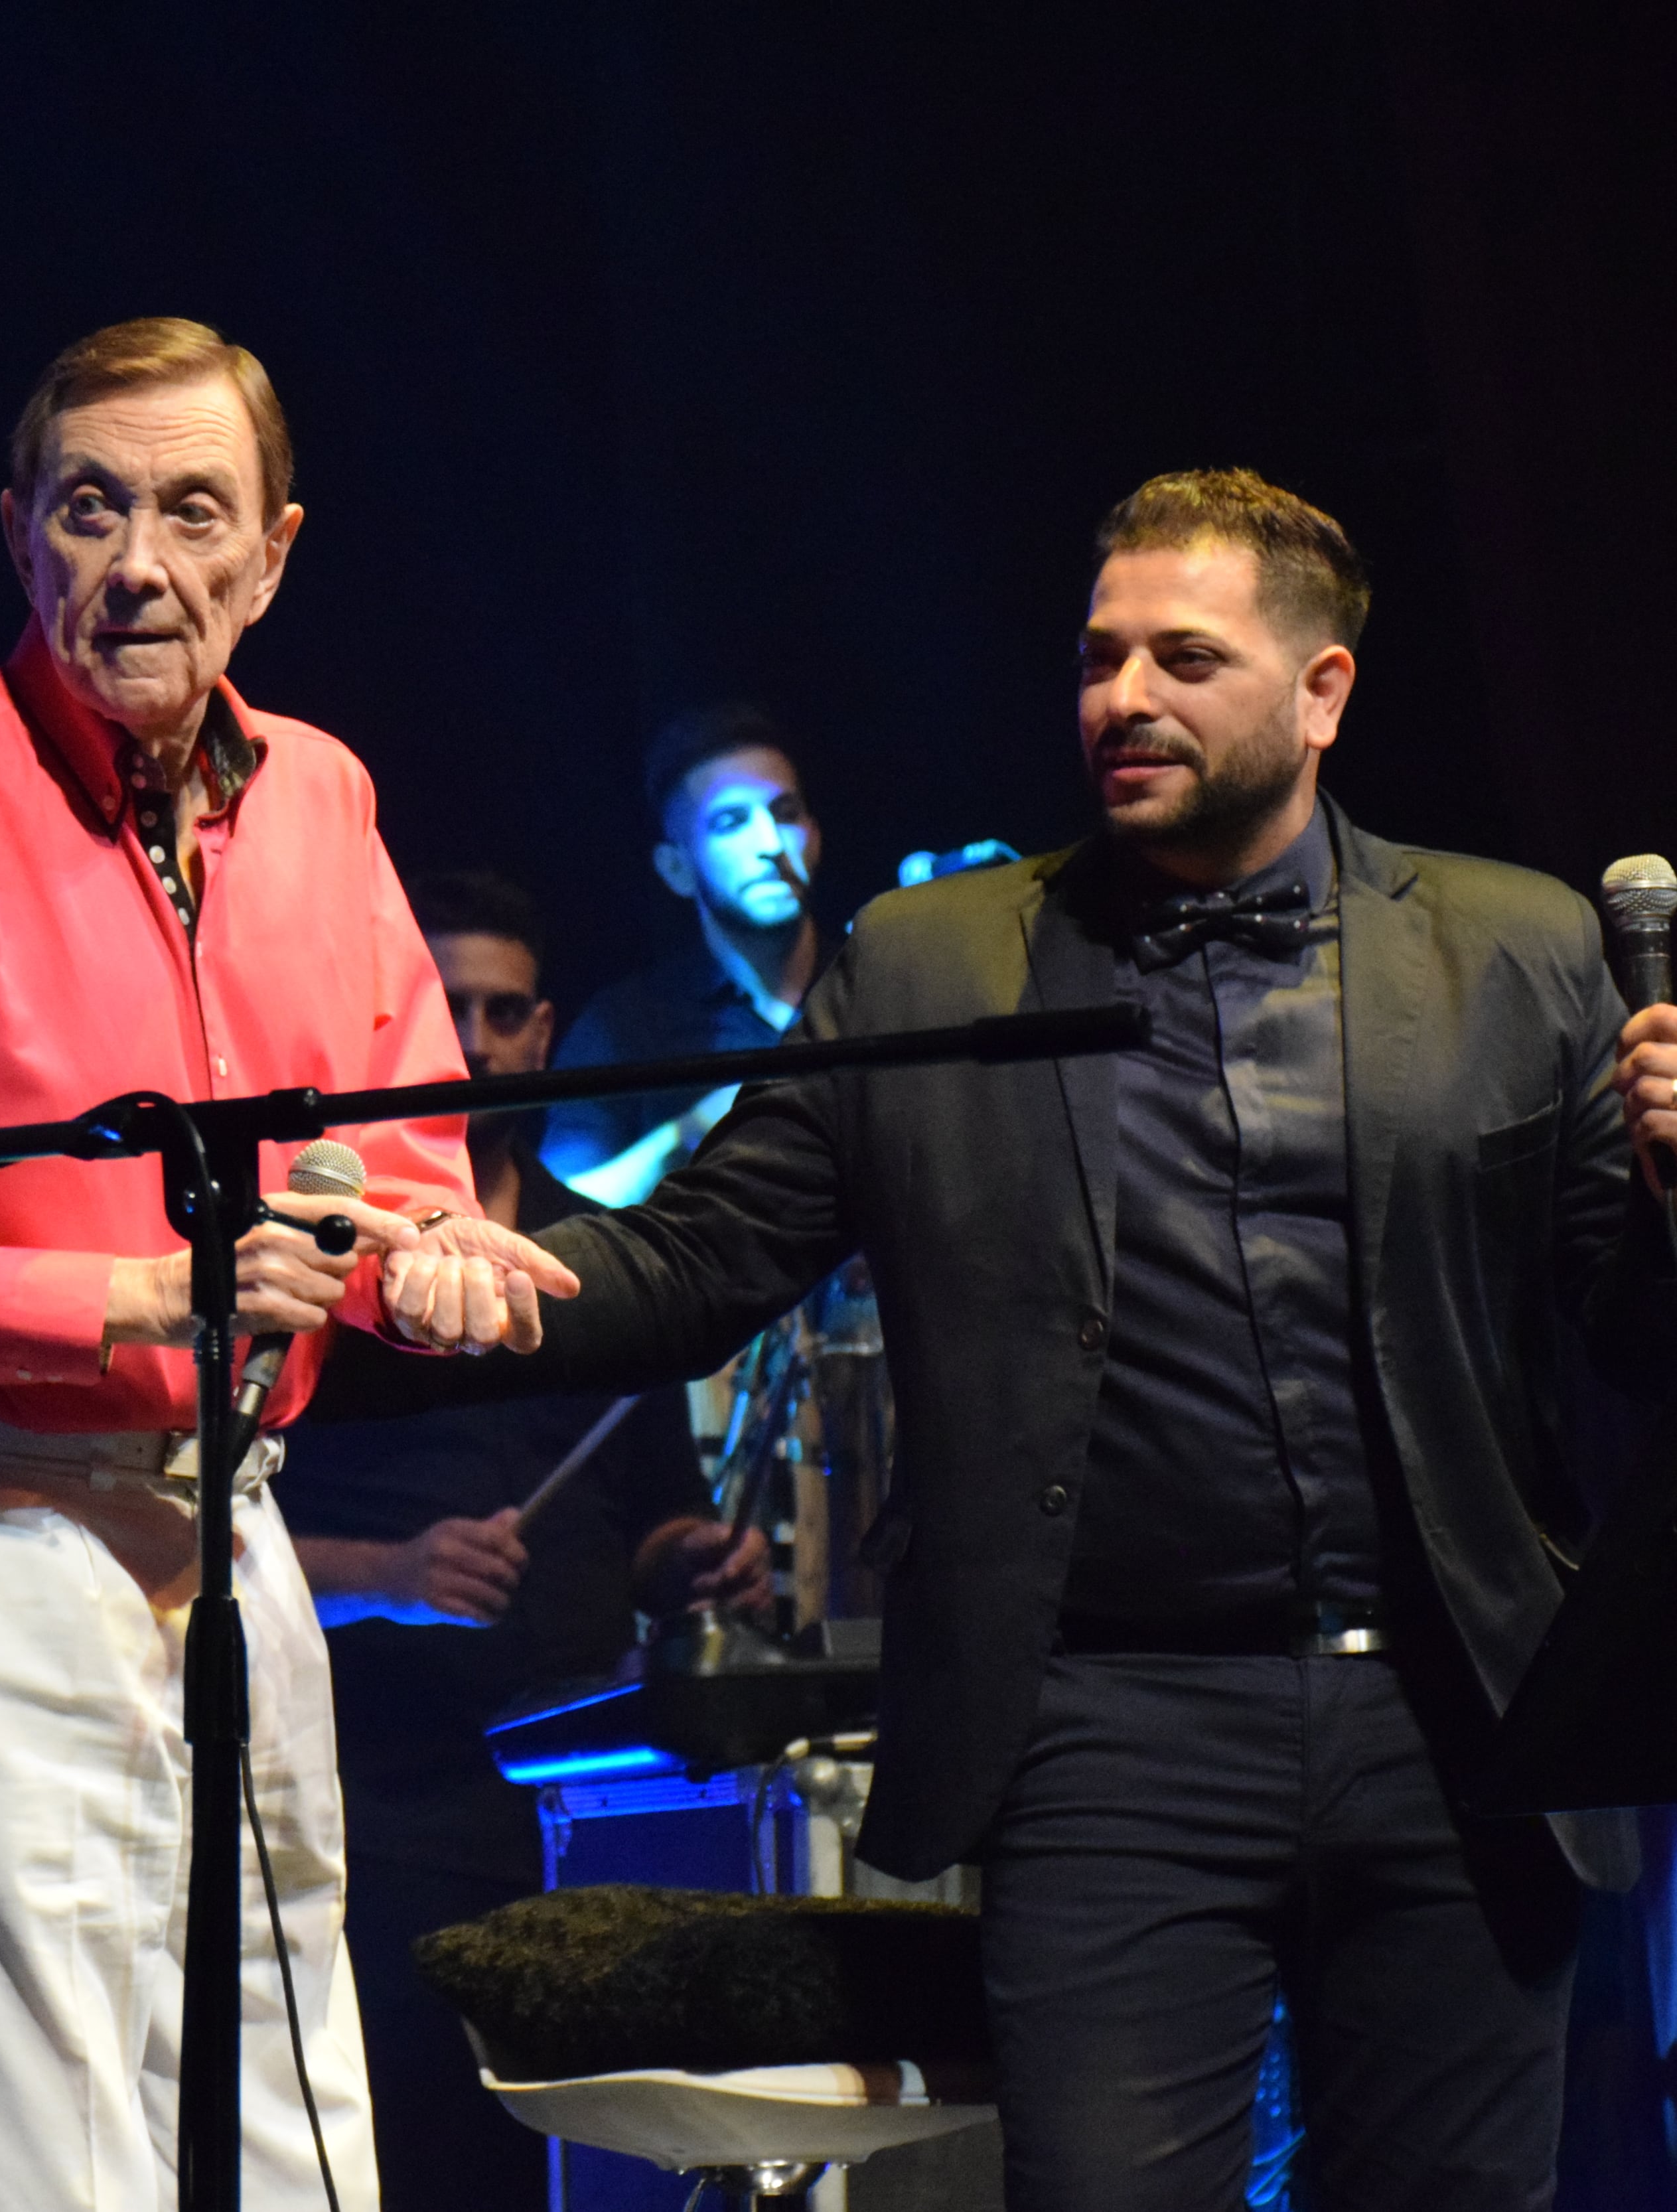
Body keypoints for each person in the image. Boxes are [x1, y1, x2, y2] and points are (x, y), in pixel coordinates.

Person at [529, 467, 1677, 2209]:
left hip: (1455, 1722)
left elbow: (1635, 1339)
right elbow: (697, 1260)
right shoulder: (932, 960)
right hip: (1112, 1729)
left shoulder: (1518, 945)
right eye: (1097, 656)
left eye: (1183, 657)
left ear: (1324, 692)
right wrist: (454, 1275)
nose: (1122, 697)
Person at [0, 317, 576, 2212]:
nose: (140, 565)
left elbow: (396, 1164)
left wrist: (417, 1261)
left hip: (237, 1521)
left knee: (296, 2124)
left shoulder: (325, 798)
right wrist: (129, 1295)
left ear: (273, 552)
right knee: (55, 2159)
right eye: (93, 509)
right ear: (20, 534)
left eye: (195, 512)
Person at [277, 867, 766, 2209]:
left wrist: (693, 1558)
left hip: (586, 1802)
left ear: (545, 1031)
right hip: (380, 1813)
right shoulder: (317, 1270)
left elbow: (658, 1504)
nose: (480, 1041)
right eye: (449, 1009)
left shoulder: (602, 1255)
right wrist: (391, 1574)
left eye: (505, 1012)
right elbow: (218, 1542)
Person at [542, 704, 822, 1205]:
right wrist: (691, 1132)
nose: (770, 843)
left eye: (785, 813)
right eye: (730, 822)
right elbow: (556, 1207)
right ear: (676, 868)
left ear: (816, 835)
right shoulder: (623, 1025)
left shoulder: (877, 981)